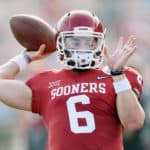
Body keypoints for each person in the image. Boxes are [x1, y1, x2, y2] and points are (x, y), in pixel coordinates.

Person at [0, 9, 145, 150]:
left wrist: (118, 74)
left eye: (89, 42)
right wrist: (25, 57)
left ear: (99, 43)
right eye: (75, 42)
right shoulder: (47, 81)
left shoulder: (117, 77)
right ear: (60, 43)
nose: (82, 48)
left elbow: (134, 122)